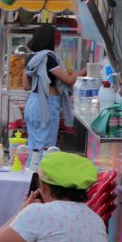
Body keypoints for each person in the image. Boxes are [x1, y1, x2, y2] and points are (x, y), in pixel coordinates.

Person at [24, 22, 76, 151]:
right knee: (46, 147)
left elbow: (25, 86)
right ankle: (39, 171)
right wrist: (87, 69)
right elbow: (68, 80)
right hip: (47, 104)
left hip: (32, 103)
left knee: (33, 145)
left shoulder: (30, 58)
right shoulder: (48, 58)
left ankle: (31, 170)